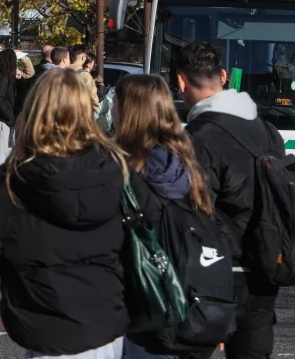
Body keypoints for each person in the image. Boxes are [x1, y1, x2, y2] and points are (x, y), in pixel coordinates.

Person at [0, 69, 129, 358]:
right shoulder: (114, 169)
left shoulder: (13, 180)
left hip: (48, 325)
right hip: (107, 322)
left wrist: (19, 255)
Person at [178, 42, 283, 358]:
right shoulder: (267, 130)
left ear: (181, 82)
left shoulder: (197, 137)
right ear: (224, 76)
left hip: (217, 271)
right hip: (267, 263)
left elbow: (195, 213)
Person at [112, 73, 217, 359]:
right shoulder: (187, 164)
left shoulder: (119, 167)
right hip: (186, 300)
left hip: (137, 301)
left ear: (127, 110)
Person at [69, 45, 100, 113]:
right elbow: (94, 101)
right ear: (83, 58)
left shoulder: (59, 72)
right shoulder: (85, 76)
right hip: (79, 115)